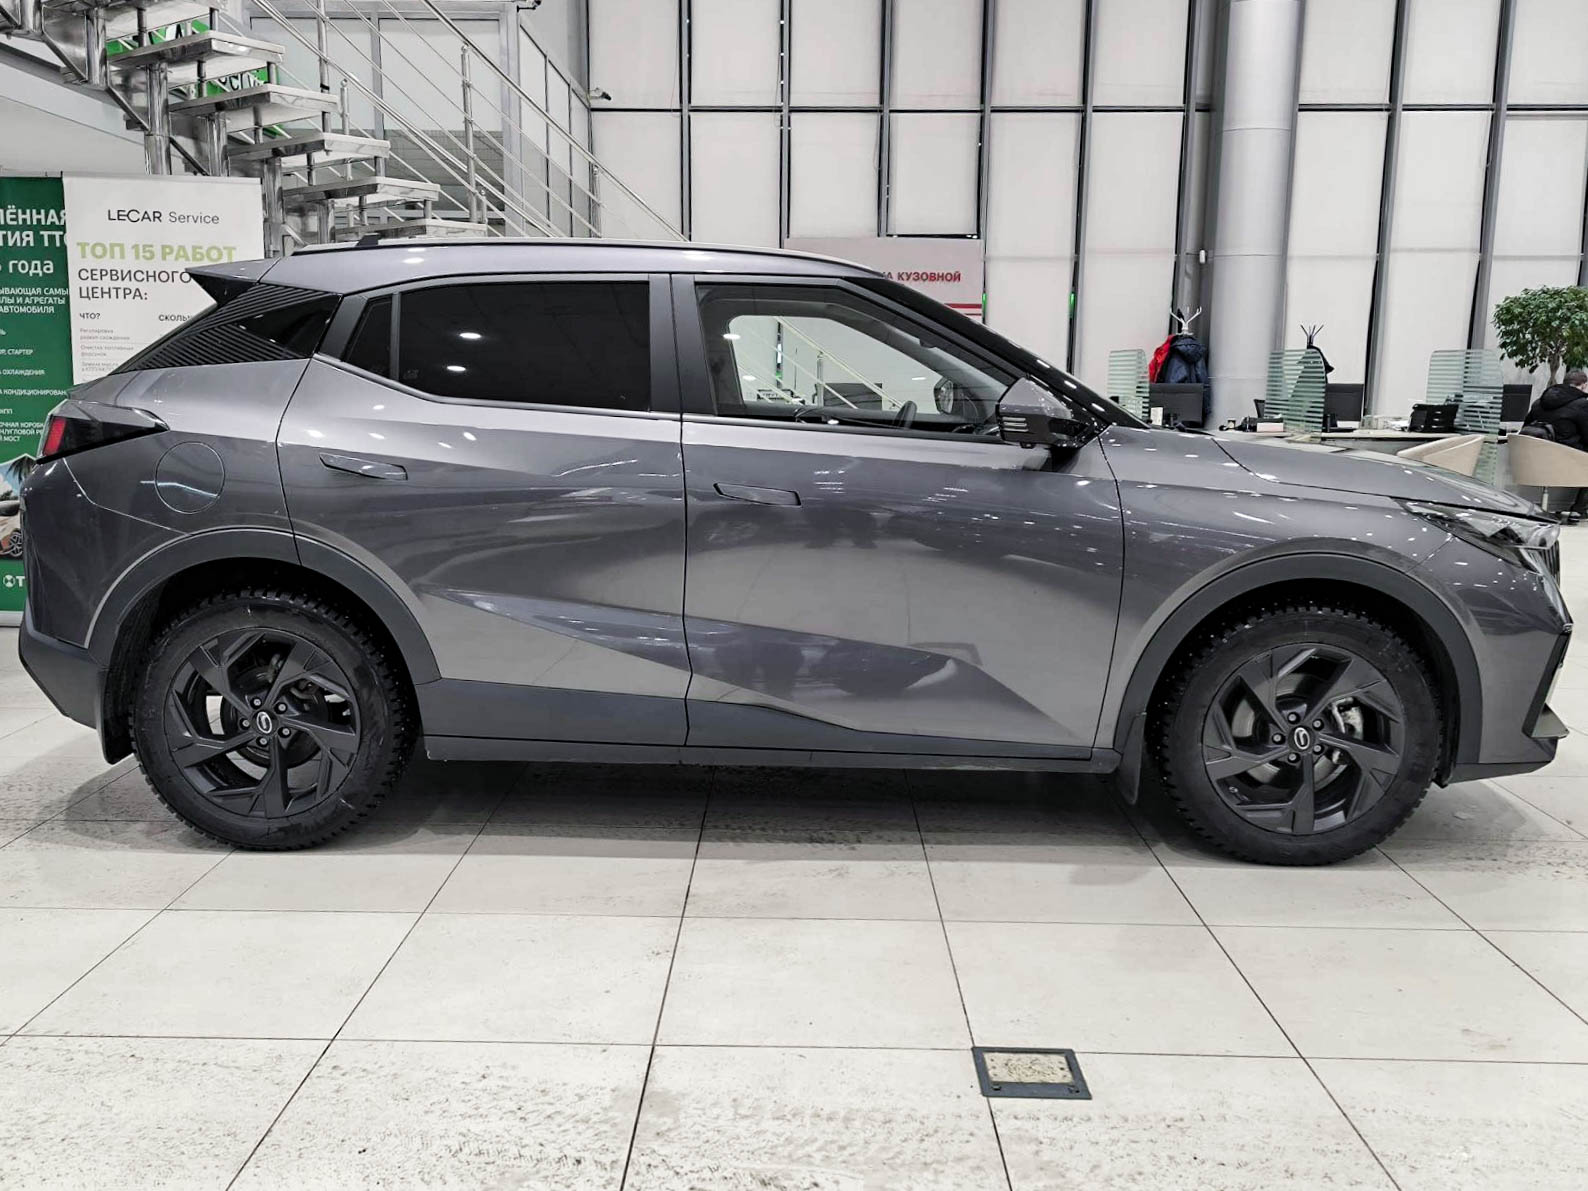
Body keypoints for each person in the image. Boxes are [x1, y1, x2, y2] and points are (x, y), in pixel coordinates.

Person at [1522, 369, 1588, 521]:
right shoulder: (1582, 405)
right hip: (1564, 460)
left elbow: (1525, 427)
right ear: (1584, 385)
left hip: (1534, 459)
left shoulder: (1539, 402)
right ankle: (1578, 510)